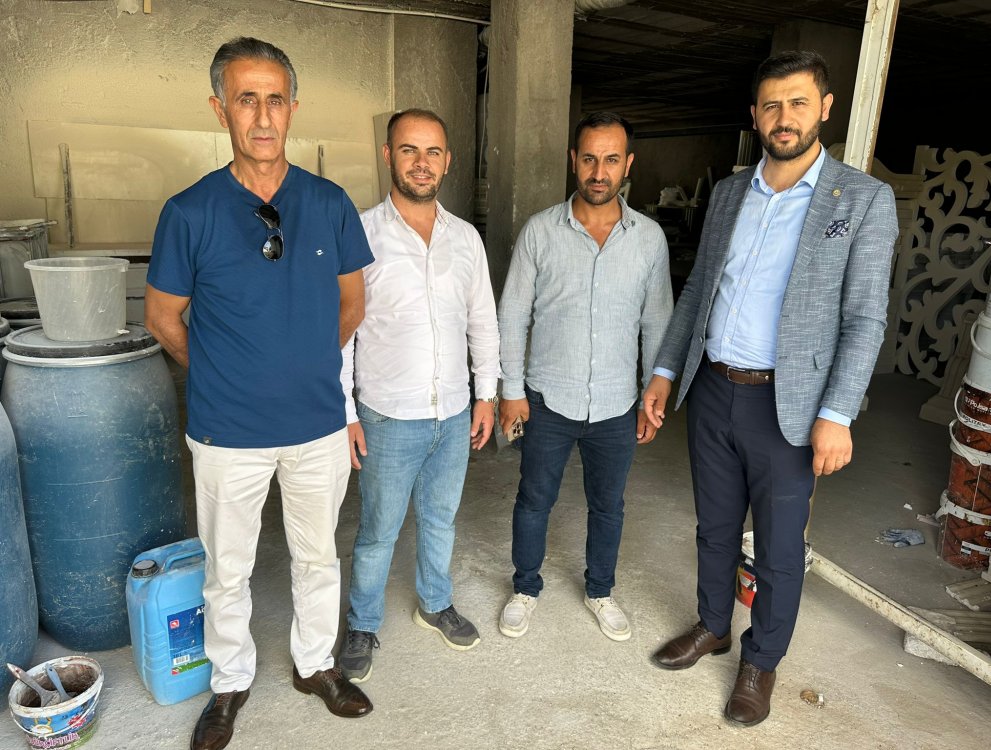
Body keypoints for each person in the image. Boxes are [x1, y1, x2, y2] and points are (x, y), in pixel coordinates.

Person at [642, 50, 898, 726]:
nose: (785, 117)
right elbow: (698, 291)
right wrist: (665, 372)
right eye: (772, 105)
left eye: (798, 103)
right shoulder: (731, 193)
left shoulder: (862, 200)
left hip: (791, 404)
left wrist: (838, 412)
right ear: (755, 114)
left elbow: (865, 318)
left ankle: (761, 661)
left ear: (825, 109)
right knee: (715, 526)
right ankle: (712, 625)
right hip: (713, 388)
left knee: (780, 547)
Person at [145, 37, 375, 750]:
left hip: (317, 425)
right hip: (227, 432)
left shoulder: (329, 203)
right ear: (221, 110)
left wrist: (305, 362)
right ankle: (229, 682)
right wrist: (222, 370)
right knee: (228, 570)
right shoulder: (189, 211)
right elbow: (163, 318)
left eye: (276, 99)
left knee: (317, 557)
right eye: (247, 99)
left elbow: (353, 304)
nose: (264, 115)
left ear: (294, 108)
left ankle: (315, 665)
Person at [335, 109, 500, 683]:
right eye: (409, 150)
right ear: (388, 156)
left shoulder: (466, 238)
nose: (421, 163)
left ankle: (435, 603)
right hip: (387, 416)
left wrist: (486, 395)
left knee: (440, 519)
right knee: (378, 531)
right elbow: (343, 333)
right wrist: (346, 413)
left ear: (447, 161)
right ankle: (362, 624)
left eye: (432, 152)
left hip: (453, 413)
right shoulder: (360, 234)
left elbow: (482, 321)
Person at [496, 112, 673, 642]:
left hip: (618, 403)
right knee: (534, 500)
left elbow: (657, 320)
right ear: (573, 160)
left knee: (609, 505)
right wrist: (511, 392)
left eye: (611, 159)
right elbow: (512, 315)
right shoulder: (540, 231)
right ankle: (525, 588)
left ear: (628, 164)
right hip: (547, 398)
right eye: (590, 159)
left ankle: (600, 590)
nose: (599, 172)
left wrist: (654, 391)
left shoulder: (649, 239)